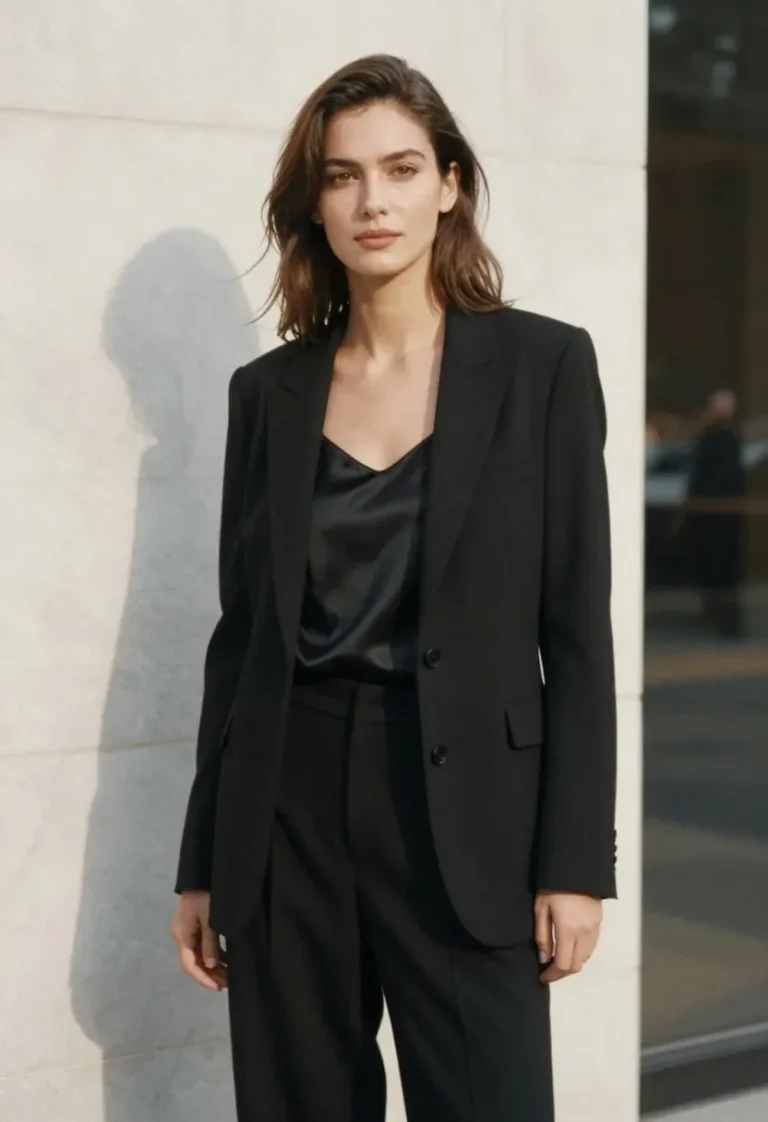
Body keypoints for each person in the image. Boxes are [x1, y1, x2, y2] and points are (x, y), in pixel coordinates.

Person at [170, 54, 617, 1122]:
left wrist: (575, 863)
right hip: (287, 812)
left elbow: (578, 633)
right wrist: (203, 859)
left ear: (449, 184)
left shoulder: (543, 368)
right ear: (315, 205)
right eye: (343, 176)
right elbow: (243, 638)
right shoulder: (267, 394)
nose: (373, 201)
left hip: (470, 813)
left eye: (402, 169)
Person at [683, 390, 746, 639]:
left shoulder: (721, 438)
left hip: (718, 516)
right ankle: (721, 619)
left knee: (720, 569)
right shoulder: (719, 437)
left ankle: (724, 621)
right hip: (714, 515)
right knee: (717, 568)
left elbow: (708, 477)